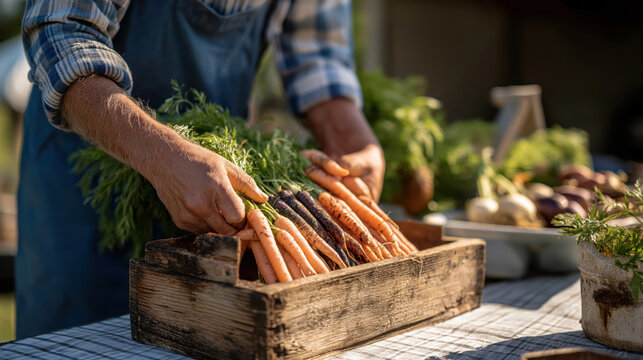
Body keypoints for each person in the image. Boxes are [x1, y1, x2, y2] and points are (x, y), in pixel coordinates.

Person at [17, 0, 384, 339]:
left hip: (217, 198)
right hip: (87, 185)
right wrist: (162, 157)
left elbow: (319, 60)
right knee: (80, 341)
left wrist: (355, 144)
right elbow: (61, 31)